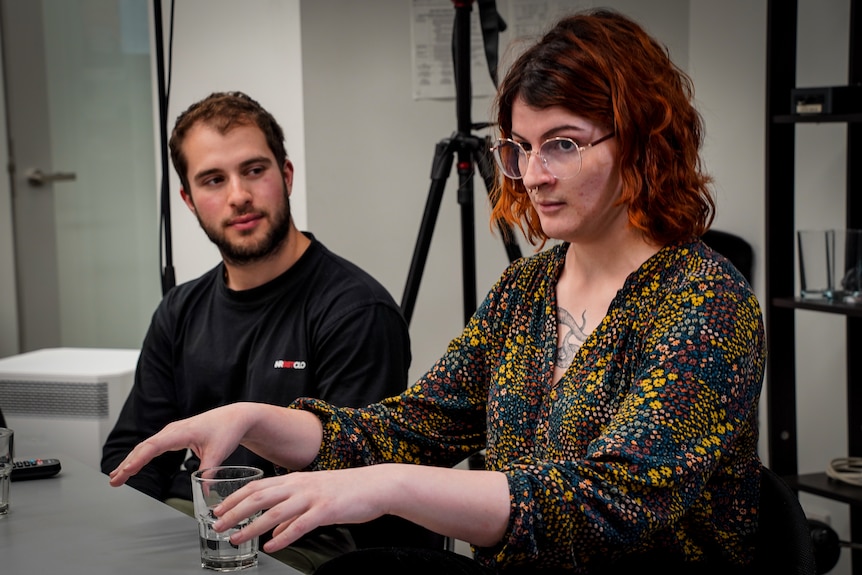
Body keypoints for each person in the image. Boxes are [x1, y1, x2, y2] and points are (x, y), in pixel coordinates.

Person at [109, 10, 765, 575]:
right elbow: (413, 425)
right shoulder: (525, 288)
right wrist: (259, 420)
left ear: (645, 144)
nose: (533, 175)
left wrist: (387, 486)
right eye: (520, 148)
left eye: (562, 144)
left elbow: (610, 503)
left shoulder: (705, 301)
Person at [100, 91, 434, 572]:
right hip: (188, 526)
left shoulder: (357, 310)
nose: (238, 195)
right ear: (189, 200)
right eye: (214, 180)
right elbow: (133, 457)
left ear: (287, 175)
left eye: (254, 170)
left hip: (301, 540)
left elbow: (356, 477)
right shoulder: (179, 310)